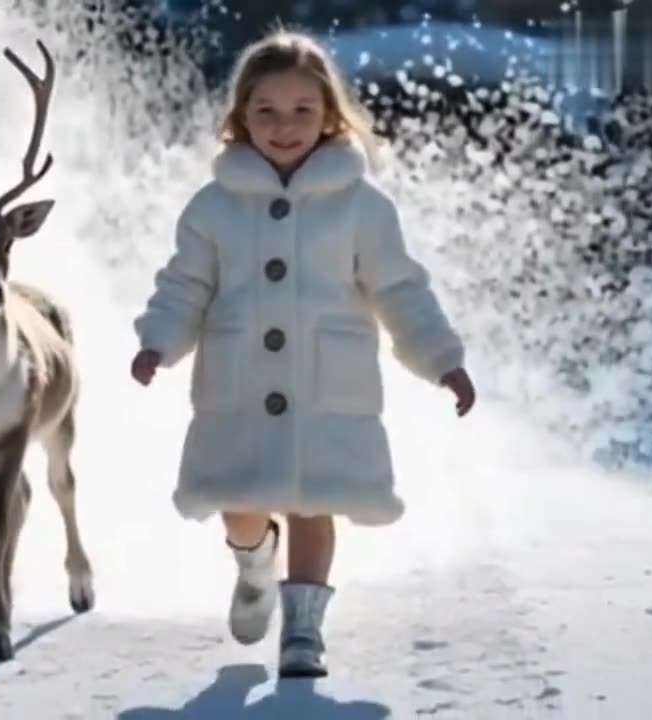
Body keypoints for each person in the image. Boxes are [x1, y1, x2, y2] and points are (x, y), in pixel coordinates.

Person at [129, 28, 476, 679]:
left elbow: (399, 287)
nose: (284, 126)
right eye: (266, 111)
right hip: (239, 386)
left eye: (301, 111)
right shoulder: (213, 206)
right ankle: (255, 560)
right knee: (238, 501)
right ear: (240, 117)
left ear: (328, 117)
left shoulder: (363, 206)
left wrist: (441, 359)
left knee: (314, 503)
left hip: (327, 387)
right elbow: (186, 283)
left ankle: (304, 633)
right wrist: (159, 341)